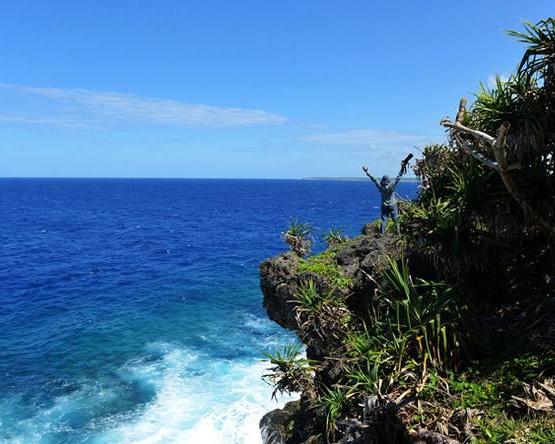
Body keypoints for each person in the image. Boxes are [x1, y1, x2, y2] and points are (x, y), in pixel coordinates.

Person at [362, 154, 412, 234]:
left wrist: (367, 172)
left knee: (383, 220)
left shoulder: (380, 186)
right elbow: (399, 177)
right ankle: (398, 234)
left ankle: (382, 234)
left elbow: (373, 179)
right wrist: (402, 168)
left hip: (384, 205)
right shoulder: (392, 185)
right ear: (388, 181)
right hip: (393, 205)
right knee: (396, 219)